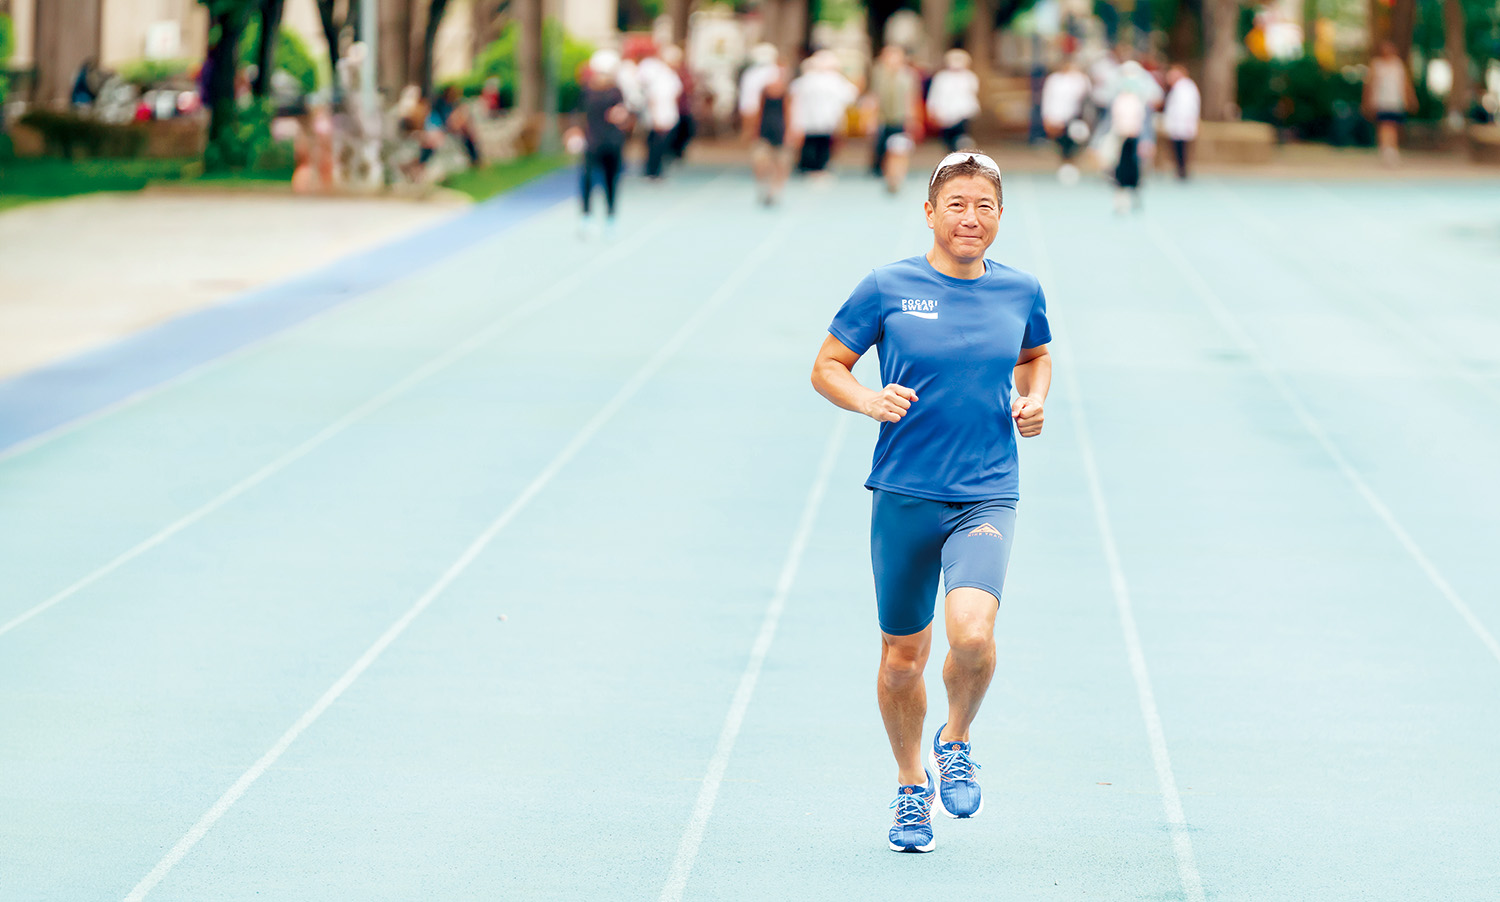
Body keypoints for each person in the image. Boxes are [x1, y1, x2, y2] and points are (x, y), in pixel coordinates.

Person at [809, 151, 1052, 853]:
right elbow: (828, 365)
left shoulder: (1022, 291)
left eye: (984, 207)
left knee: (973, 633)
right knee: (902, 658)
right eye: (956, 205)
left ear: (1000, 217)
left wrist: (1033, 400)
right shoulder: (888, 286)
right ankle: (912, 787)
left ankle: (958, 738)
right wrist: (866, 398)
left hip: (985, 494)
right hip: (904, 494)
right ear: (929, 212)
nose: (970, 218)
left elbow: (1035, 356)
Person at [574, 50, 632, 237]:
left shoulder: (617, 92)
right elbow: (578, 114)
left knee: (611, 181)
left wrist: (622, 116)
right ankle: (586, 216)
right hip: (592, 142)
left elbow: (626, 114)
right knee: (588, 180)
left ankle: (610, 217)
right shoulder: (586, 91)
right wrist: (575, 132)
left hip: (612, 142)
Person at [790, 50, 858, 175]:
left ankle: (808, 167)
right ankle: (819, 167)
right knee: (821, 145)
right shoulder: (835, 80)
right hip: (824, 120)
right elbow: (851, 95)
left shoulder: (806, 80)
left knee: (812, 144)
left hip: (812, 120)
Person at [868, 45, 919, 191]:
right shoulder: (879, 74)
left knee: (899, 148)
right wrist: (872, 117)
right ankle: (885, 174)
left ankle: (897, 176)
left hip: (901, 117)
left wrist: (912, 117)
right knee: (883, 147)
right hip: (883, 118)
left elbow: (911, 97)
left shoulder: (908, 75)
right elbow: (875, 96)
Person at [1108, 61, 1152, 213]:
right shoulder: (1118, 100)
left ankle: (1135, 198)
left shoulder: (1139, 101)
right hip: (1120, 139)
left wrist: (1147, 141)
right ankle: (1120, 199)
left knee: (1135, 170)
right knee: (1119, 170)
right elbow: (1109, 122)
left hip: (1134, 139)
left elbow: (1146, 124)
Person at [1364, 41, 1416, 166]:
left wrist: (1410, 98)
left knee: (1393, 125)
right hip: (1381, 100)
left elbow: (1405, 83)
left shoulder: (1398, 65)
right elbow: (1370, 84)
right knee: (1384, 125)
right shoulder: (1376, 64)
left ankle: (1392, 148)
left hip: (1395, 100)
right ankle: (1386, 149)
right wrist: (1368, 100)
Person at [1040, 58, 1091, 182]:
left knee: (1073, 142)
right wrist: (1047, 117)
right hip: (1055, 116)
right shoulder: (1054, 80)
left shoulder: (1078, 80)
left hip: (1072, 117)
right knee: (1060, 143)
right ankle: (1064, 165)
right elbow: (1047, 98)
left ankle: (1071, 164)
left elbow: (1086, 92)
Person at [638, 46, 683, 179]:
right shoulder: (659, 75)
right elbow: (653, 98)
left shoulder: (671, 75)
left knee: (663, 145)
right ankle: (652, 172)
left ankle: (657, 171)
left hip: (668, 116)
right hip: (659, 116)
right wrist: (655, 117)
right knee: (655, 146)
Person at [752, 64, 794, 205]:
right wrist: (755, 130)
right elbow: (759, 111)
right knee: (761, 161)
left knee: (781, 163)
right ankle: (764, 187)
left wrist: (789, 132)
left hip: (780, 130)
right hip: (766, 130)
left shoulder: (786, 93)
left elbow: (788, 113)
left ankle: (776, 189)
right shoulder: (764, 92)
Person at [925, 50, 980, 153]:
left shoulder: (969, 77)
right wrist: (933, 110)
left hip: (963, 113)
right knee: (947, 140)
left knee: (962, 139)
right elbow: (935, 95)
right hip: (945, 115)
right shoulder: (942, 77)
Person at [1161, 65, 1200, 179]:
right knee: (1178, 149)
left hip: (1182, 124)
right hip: (1178, 124)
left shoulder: (1185, 87)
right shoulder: (1180, 87)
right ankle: (1180, 169)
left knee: (1181, 149)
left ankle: (1182, 170)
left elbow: (1185, 108)